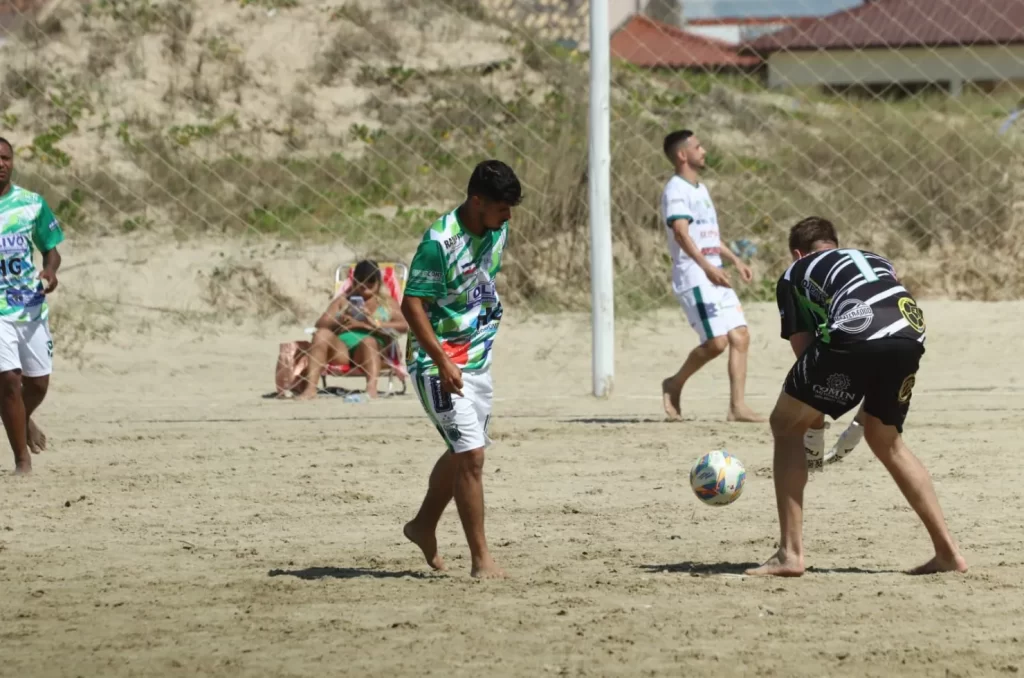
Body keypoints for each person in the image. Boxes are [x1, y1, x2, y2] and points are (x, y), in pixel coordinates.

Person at [747, 216, 967, 577]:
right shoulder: (874, 259)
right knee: (887, 440)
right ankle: (948, 553)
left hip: (858, 326)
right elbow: (882, 332)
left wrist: (812, 432)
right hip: (910, 327)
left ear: (798, 253)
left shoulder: (795, 272)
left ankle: (790, 554)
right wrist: (862, 421)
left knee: (785, 425)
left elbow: (806, 360)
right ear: (835, 244)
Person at [401, 159, 521, 579]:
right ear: (476, 201)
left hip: (478, 359)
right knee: (472, 456)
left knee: (460, 454)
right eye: (502, 209)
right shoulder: (439, 242)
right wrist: (440, 359)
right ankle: (482, 562)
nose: (508, 218)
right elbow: (411, 304)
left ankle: (422, 526)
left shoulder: (496, 228)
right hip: (436, 363)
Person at [658, 129, 763, 424]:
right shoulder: (675, 190)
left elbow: (708, 235)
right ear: (683, 155)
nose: (703, 151)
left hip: (713, 270)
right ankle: (674, 383)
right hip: (695, 275)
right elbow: (681, 233)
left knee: (740, 336)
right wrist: (706, 267)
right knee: (716, 343)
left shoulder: (700, 189)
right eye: (698, 146)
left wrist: (734, 260)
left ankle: (737, 407)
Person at [0, 137, 64, 475]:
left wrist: (50, 271)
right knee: (9, 380)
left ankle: (21, 419)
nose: (1, 163)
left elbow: (51, 248)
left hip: (28, 306)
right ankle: (21, 463)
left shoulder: (31, 204)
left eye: (5, 157)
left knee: (37, 384)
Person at [296, 259, 408, 400]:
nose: (365, 285)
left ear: (379, 283)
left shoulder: (386, 302)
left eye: (371, 281)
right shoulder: (344, 301)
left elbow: (404, 326)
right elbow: (320, 323)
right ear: (354, 282)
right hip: (342, 351)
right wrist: (340, 319)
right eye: (360, 280)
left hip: (371, 349)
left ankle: (371, 389)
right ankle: (310, 389)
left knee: (368, 341)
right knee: (321, 334)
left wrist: (373, 324)